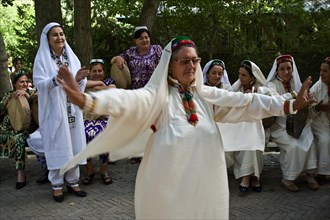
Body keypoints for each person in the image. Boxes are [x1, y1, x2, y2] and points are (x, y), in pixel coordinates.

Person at [58, 36, 314, 219]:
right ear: (170, 64)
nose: (191, 66)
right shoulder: (157, 97)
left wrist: (289, 105)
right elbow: (127, 100)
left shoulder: (206, 96)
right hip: (170, 188)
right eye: (184, 61)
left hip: (205, 184)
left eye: (195, 60)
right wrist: (86, 100)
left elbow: (246, 102)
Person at [33, 22, 88, 203]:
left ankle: (73, 181)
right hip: (55, 110)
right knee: (58, 144)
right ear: (48, 39)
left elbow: (80, 85)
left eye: (62, 34)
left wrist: (79, 79)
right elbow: (39, 84)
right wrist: (55, 80)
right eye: (55, 35)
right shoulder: (41, 60)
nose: (60, 38)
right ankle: (57, 185)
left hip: (71, 109)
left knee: (73, 143)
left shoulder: (71, 58)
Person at [218, 60, 277, 193]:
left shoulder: (262, 89)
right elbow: (228, 99)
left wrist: (256, 94)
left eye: (244, 75)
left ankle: (249, 178)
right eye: (239, 74)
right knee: (248, 137)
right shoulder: (236, 88)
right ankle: (252, 177)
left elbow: (274, 100)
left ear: (252, 77)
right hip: (238, 129)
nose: (240, 77)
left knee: (252, 138)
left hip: (260, 128)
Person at [266, 54, 319, 192]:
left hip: (299, 123)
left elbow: (304, 106)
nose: (286, 72)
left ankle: (310, 176)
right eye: (282, 69)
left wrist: (309, 102)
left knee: (309, 140)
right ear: (276, 71)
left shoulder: (297, 84)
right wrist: (296, 95)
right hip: (279, 126)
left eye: (288, 68)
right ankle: (288, 179)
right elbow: (274, 102)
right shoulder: (270, 85)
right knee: (294, 146)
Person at [111, 26, 162, 164]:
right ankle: (137, 152)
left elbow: (166, 64)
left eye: (146, 37)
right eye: (141, 38)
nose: (145, 40)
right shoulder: (131, 52)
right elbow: (116, 59)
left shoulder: (156, 49)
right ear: (135, 40)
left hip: (153, 92)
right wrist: (118, 58)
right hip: (136, 93)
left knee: (154, 121)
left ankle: (153, 151)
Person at [0, 71, 38, 189]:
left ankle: (21, 173)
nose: (25, 84)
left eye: (27, 81)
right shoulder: (9, 94)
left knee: (19, 139)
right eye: (22, 82)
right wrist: (7, 102)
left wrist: (28, 97)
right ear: (15, 84)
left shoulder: (32, 93)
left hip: (25, 129)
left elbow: (38, 107)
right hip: (7, 129)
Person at [82, 58, 116, 185]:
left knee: (102, 134)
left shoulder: (109, 82)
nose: (97, 73)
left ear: (103, 72)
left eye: (100, 71)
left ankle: (104, 170)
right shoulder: (83, 83)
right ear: (89, 72)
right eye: (94, 71)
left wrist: (97, 86)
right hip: (86, 119)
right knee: (82, 135)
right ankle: (89, 170)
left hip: (104, 119)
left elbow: (112, 90)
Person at [309, 57, 330, 183]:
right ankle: (322, 172)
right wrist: (319, 107)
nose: (321, 73)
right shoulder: (317, 87)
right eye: (321, 70)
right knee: (325, 140)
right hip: (319, 122)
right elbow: (308, 111)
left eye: (325, 71)